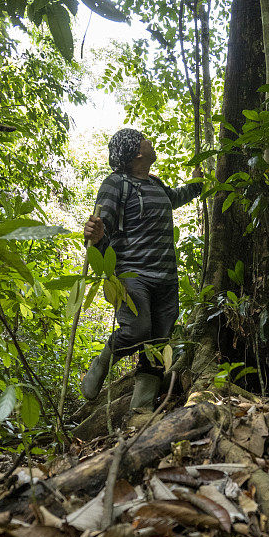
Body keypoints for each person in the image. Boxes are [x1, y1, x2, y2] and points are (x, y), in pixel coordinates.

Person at [81, 128, 202, 410]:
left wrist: (197, 185)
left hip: (166, 278)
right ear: (137, 151)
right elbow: (99, 230)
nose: (150, 141)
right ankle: (102, 362)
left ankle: (140, 412)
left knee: (159, 343)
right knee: (137, 330)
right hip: (133, 275)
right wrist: (94, 236)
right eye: (145, 139)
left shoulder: (155, 184)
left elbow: (176, 197)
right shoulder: (115, 184)